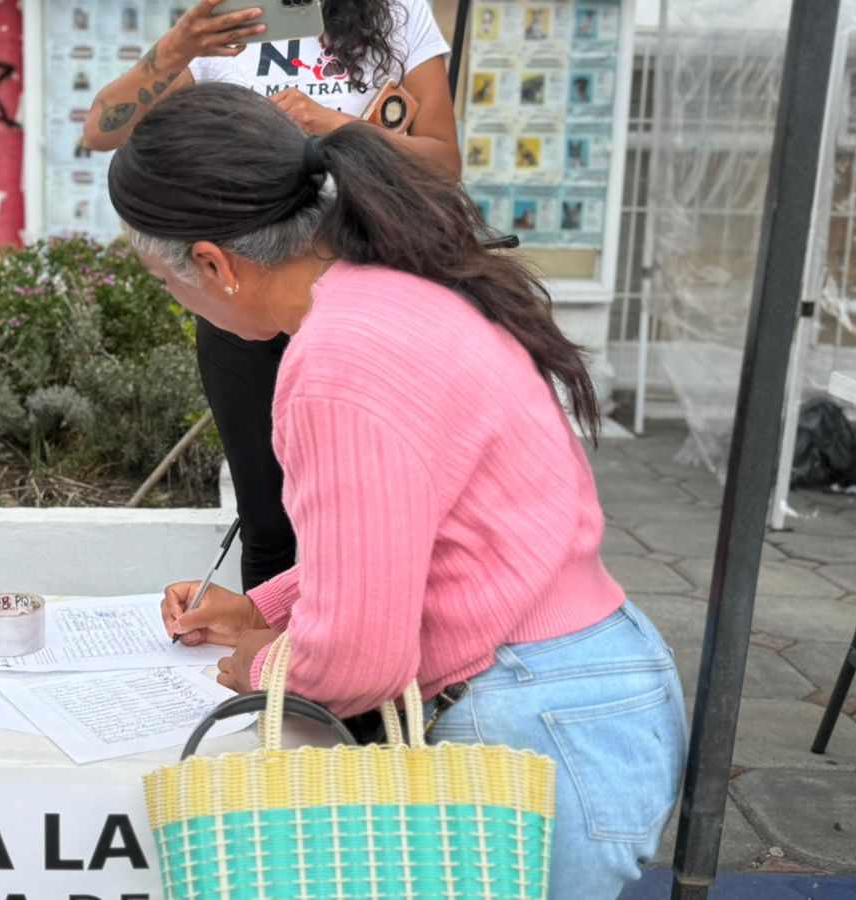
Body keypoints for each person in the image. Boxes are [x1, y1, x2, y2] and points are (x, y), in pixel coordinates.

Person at [110, 83, 687, 899]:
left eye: (168, 286)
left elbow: (355, 662)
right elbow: (408, 525)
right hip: (582, 694)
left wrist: (260, 663)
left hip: (531, 717)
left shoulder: (335, 361)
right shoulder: (393, 288)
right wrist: (266, 606)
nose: (181, 304)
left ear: (214, 264)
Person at [84, 0, 462, 595]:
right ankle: (277, 673)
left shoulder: (398, 14)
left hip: (364, 289)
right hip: (243, 300)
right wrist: (180, 45)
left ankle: (350, 665)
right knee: (268, 520)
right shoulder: (229, 20)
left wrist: (331, 125)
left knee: (367, 509)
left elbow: (443, 165)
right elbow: (103, 130)